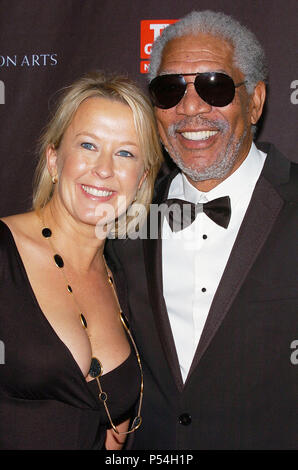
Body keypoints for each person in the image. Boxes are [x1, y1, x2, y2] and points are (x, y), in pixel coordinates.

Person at [106, 11, 298, 449]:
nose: (190, 108)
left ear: (255, 101)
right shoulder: (122, 217)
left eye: (215, 85)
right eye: (170, 90)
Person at [0, 72, 163, 450]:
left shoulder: (123, 280)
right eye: (88, 145)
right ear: (54, 160)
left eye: (125, 152)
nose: (104, 168)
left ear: (141, 180)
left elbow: (112, 435)